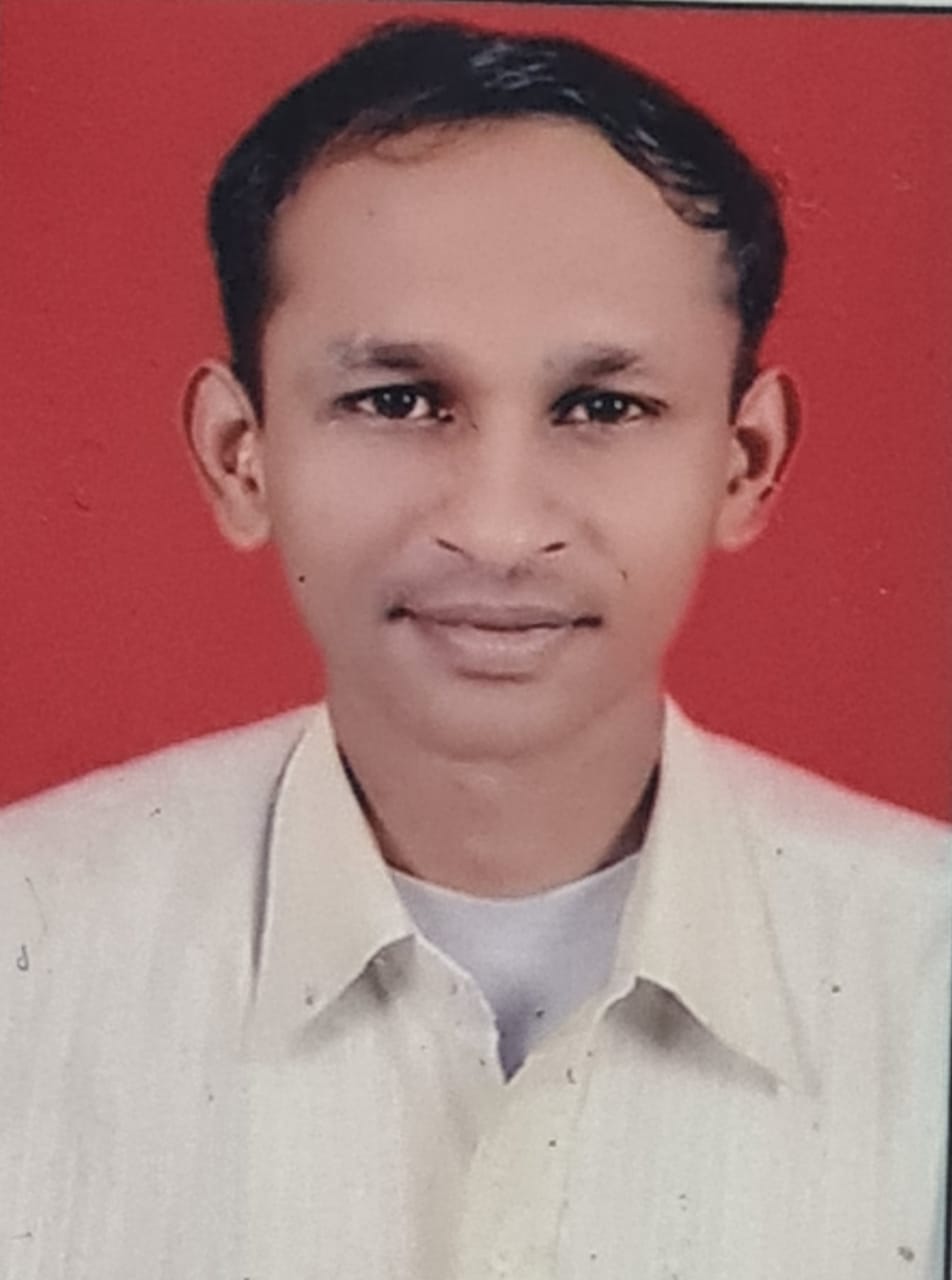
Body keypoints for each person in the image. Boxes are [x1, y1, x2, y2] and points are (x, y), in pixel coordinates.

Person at [1, 18, 948, 1279]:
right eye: (396, 399)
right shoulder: (27, 947)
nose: (497, 530)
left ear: (745, 462)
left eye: (602, 406)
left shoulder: (925, 961)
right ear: (241, 455)